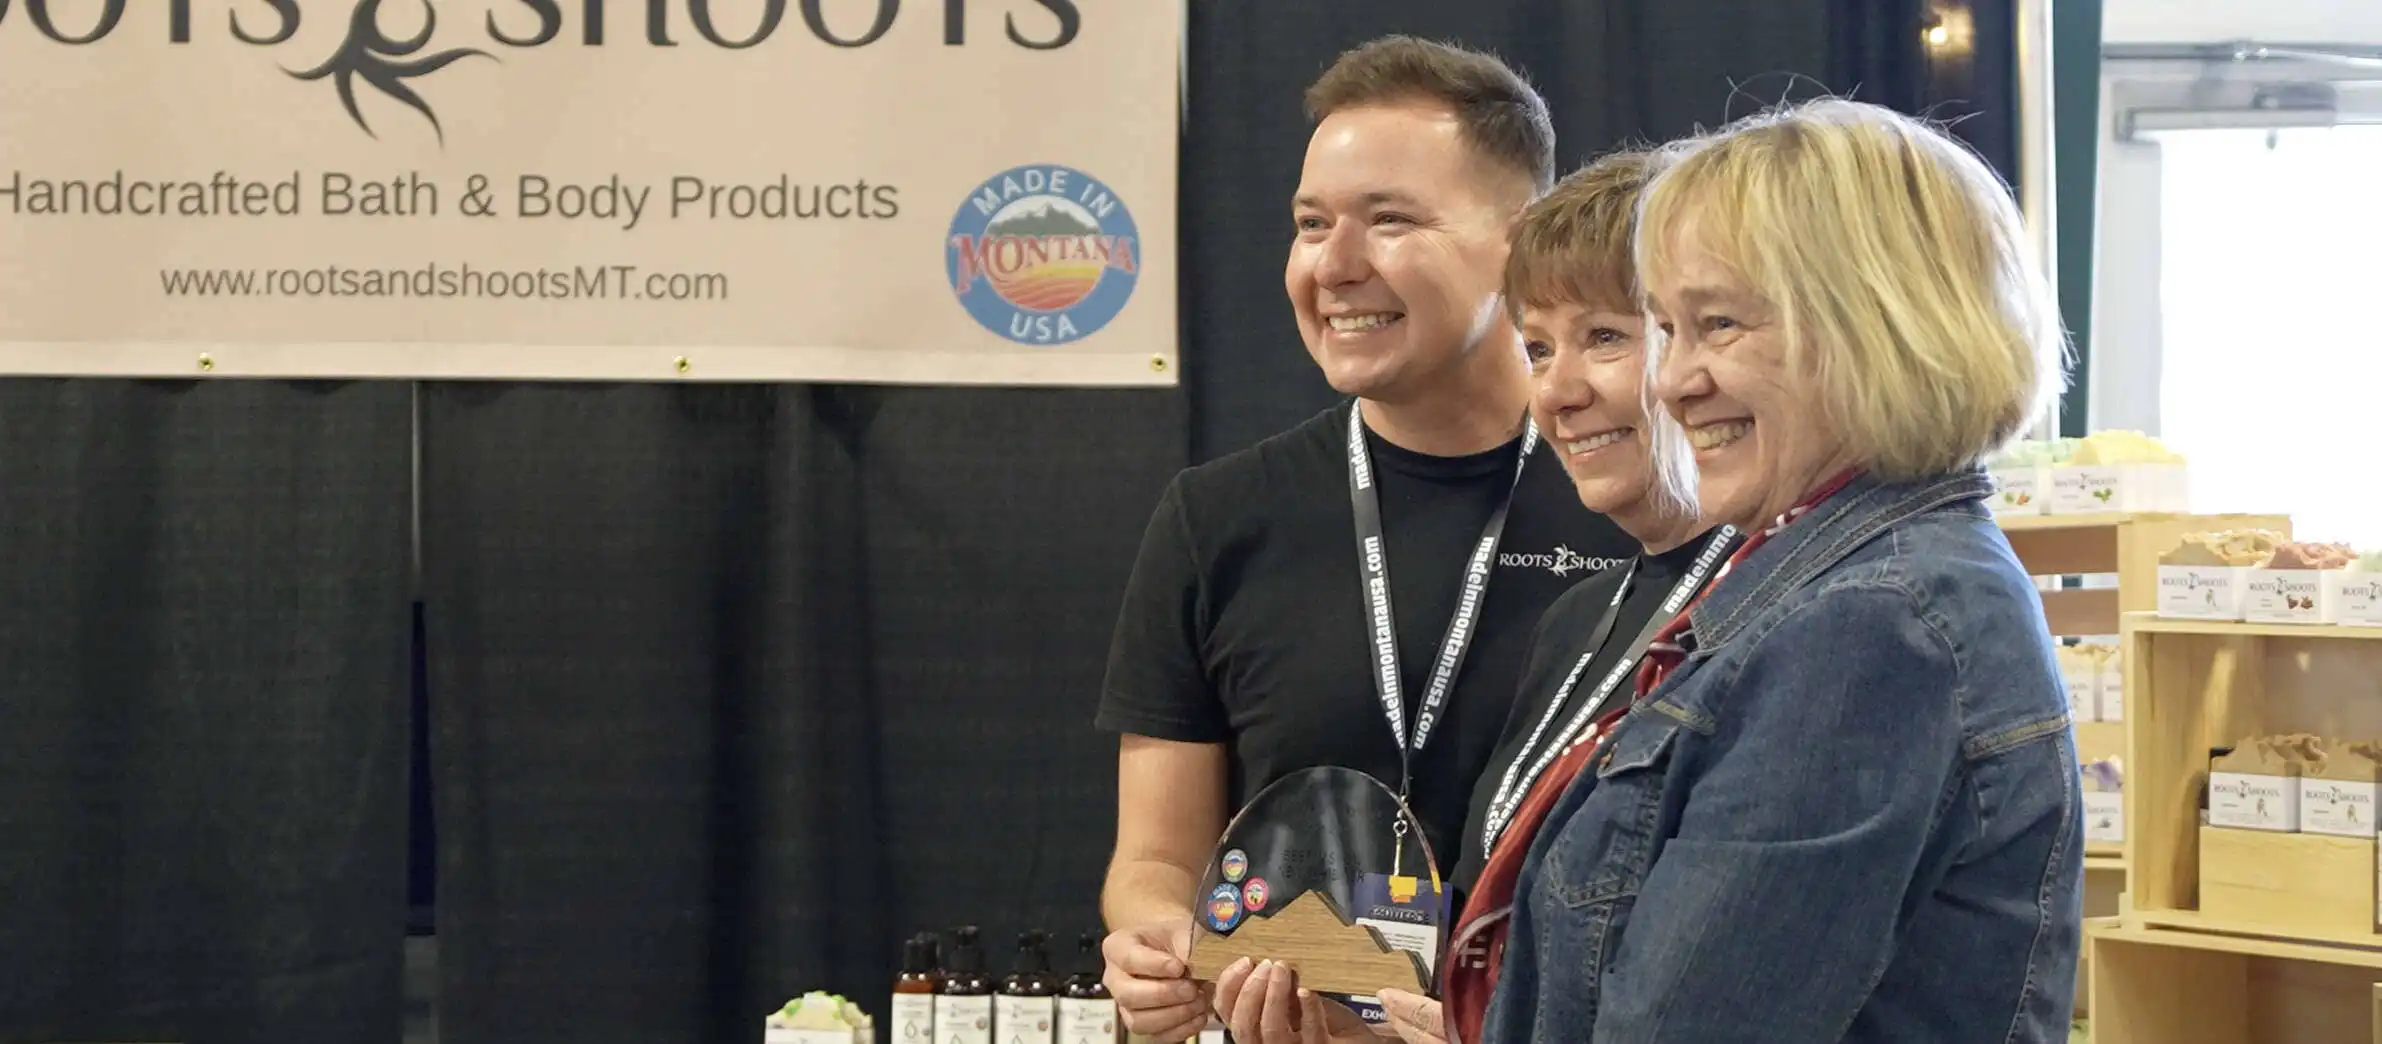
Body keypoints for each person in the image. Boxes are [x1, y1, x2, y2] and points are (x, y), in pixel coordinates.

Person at [1482, 99, 2083, 1043]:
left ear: (1875, 324)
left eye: (1717, 325)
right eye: (1666, 330)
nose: (1674, 381)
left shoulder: (1872, 627)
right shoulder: (1854, 584)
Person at [1091, 36, 1637, 1044]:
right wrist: (1162, 947)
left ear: (1521, 244)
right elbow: (1155, 861)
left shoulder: (1638, 503)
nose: (1335, 267)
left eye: (1389, 221)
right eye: (1310, 226)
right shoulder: (1218, 519)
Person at [1211, 150, 1745, 1044]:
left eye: (1606, 338)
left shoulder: (1789, 613)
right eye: (1537, 347)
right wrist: (1346, 1023)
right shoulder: (1583, 618)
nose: (1561, 392)